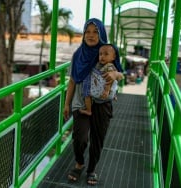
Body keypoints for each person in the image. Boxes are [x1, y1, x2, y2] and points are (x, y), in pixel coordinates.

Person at [63, 18, 123, 186]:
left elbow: (120, 73)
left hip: (102, 104)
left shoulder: (107, 51)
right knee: (80, 137)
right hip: (80, 102)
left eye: (95, 32)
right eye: (87, 32)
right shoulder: (78, 55)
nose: (90, 35)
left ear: (101, 33)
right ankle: (79, 163)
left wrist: (115, 75)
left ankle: (91, 170)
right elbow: (72, 81)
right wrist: (67, 104)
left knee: (98, 138)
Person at [80, 44, 122, 116]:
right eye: (100, 54)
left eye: (106, 54)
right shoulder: (102, 64)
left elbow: (109, 81)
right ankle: (113, 94)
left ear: (113, 57)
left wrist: (106, 91)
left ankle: (88, 110)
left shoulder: (109, 67)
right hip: (103, 93)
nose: (102, 56)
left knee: (87, 94)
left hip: (103, 93)